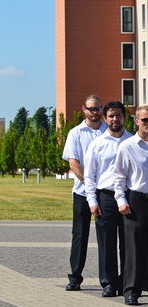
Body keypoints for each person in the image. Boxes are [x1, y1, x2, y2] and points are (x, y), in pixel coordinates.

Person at [83, 100, 131, 297]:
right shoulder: (97, 145)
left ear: (124, 118)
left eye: (118, 115)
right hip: (106, 198)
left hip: (129, 198)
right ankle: (109, 283)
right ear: (105, 118)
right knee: (107, 243)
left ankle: (127, 282)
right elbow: (89, 175)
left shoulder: (132, 142)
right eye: (111, 116)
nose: (114, 119)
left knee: (128, 243)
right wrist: (92, 201)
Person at [61, 95, 107, 291]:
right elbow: (74, 164)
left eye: (98, 108)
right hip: (82, 193)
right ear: (84, 110)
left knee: (106, 236)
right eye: (91, 108)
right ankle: (75, 277)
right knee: (80, 235)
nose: (95, 112)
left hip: (105, 193)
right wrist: (90, 186)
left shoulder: (110, 132)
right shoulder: (75, 133)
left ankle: (108, 280)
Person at [115, 105, 148, 305]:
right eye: (145, 120)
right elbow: (119, 176)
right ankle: (131, 291)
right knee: (134, 247)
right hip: (137, 200)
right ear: (136, 122)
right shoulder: (128, 146)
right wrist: (121, 200)